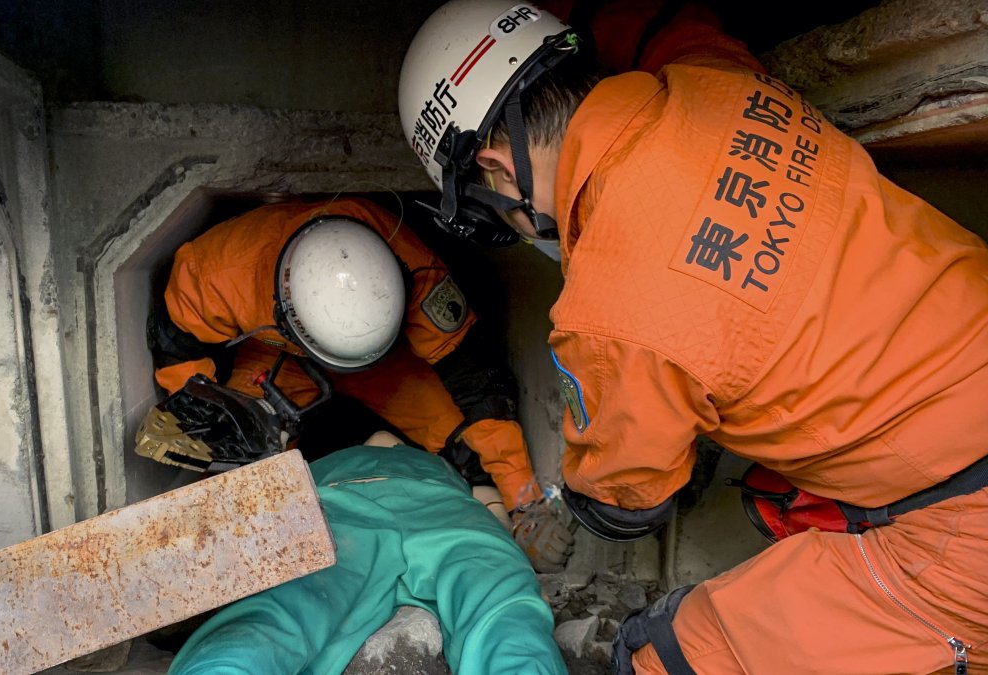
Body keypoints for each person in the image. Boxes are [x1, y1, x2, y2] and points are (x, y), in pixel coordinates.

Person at [398, 1, 988, 673]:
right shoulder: (715, 82)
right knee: (776, 496)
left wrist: (572, 500)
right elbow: (668, 24)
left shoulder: (607, 307)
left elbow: (628, 499)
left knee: (665, 654)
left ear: (500, 167)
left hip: (964, 531)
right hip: (957, 396)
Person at [138, 194, 576, 572]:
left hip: (387, 358)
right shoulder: (215, 273)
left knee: (465, 440)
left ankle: (496, 510)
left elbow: (480, 390)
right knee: (251, 465)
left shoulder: (418, 275)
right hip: (274, 356)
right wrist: (211, 411)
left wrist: (525, 502)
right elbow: (180, 350)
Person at [166, 431, 568, 675]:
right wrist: (514, 541)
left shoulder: (318, 459)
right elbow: (500, 521)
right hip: (441, 515)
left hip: (343, 511)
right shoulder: (447, 467)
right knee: (502, 608)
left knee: (283, 611)